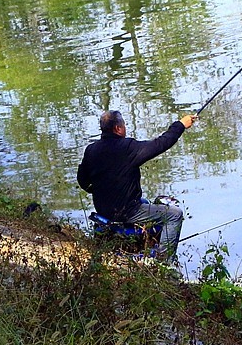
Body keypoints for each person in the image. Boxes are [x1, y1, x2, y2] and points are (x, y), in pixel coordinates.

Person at [77, 110, 196, 260]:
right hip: (127, 212)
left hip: (103, 210)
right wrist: (180, 125)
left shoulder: (91, 150)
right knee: (174, 215)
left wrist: (102, 191)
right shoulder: (127, 148)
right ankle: (164, 262)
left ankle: (138, 248)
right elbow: (161, 144)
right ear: (118, 129)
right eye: (124, 125)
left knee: (145, 202)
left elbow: (82, 181)